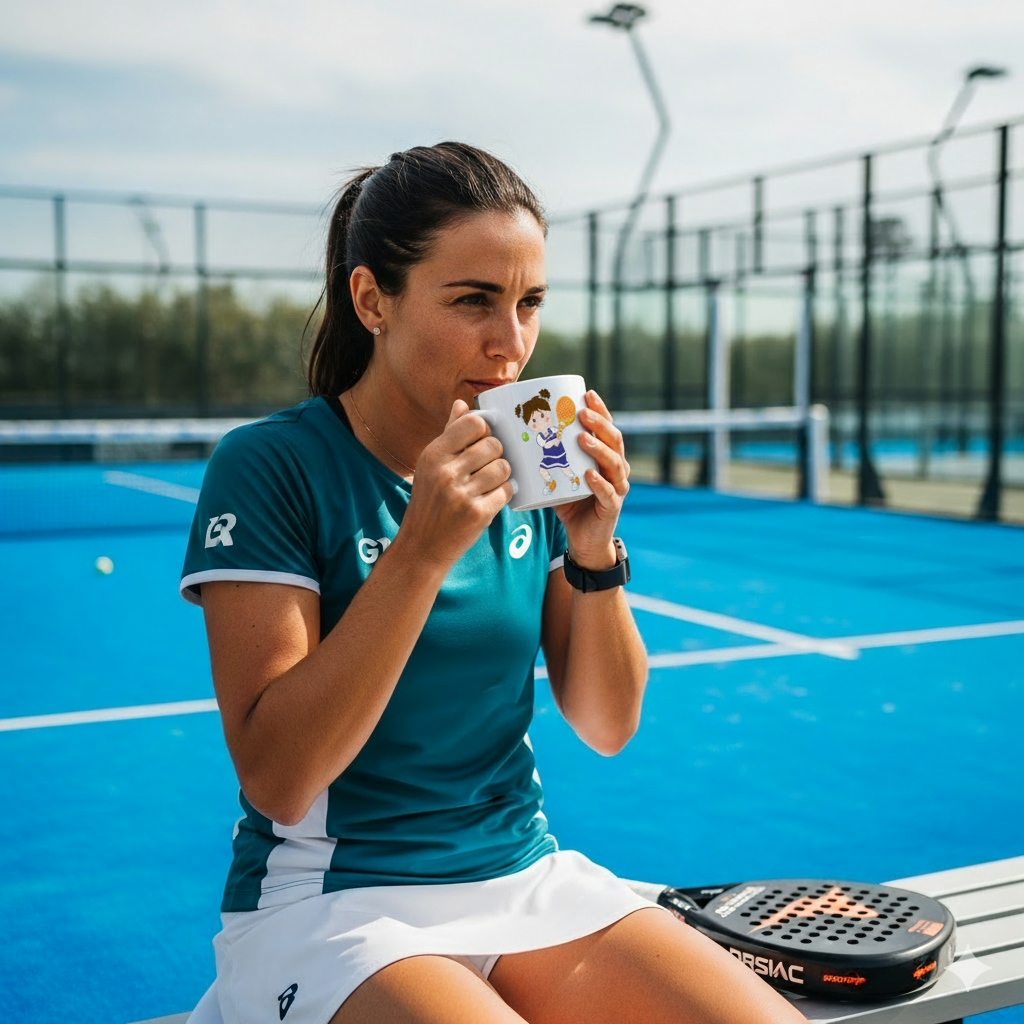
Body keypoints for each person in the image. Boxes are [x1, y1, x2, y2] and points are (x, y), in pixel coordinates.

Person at [180, 142, 806, 1024]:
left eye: (529, 303)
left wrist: (594, 553)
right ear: (372, 300)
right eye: (474, 300)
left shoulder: (526, 461)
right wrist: (421, 553)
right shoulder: (272, 464)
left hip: (524, 875)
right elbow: (280, 778)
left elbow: (606, 722)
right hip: (334, 906)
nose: (509, 344)